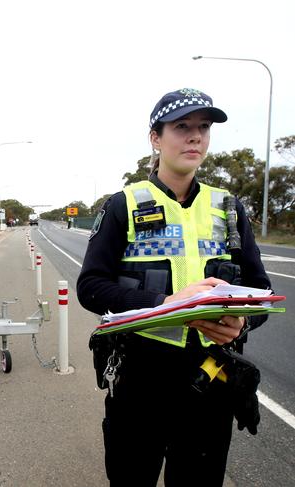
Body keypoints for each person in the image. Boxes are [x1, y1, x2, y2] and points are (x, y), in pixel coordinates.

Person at [77, 88, 271, 487]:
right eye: (182, 126)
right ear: (155, 137)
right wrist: (163, 302)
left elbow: (260, 292)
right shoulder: (123, 204)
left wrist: (242, 324)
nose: (195, 136)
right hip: (141, 379)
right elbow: (91, 287)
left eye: (203, 128)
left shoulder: (229, 208)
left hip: (210, 380)